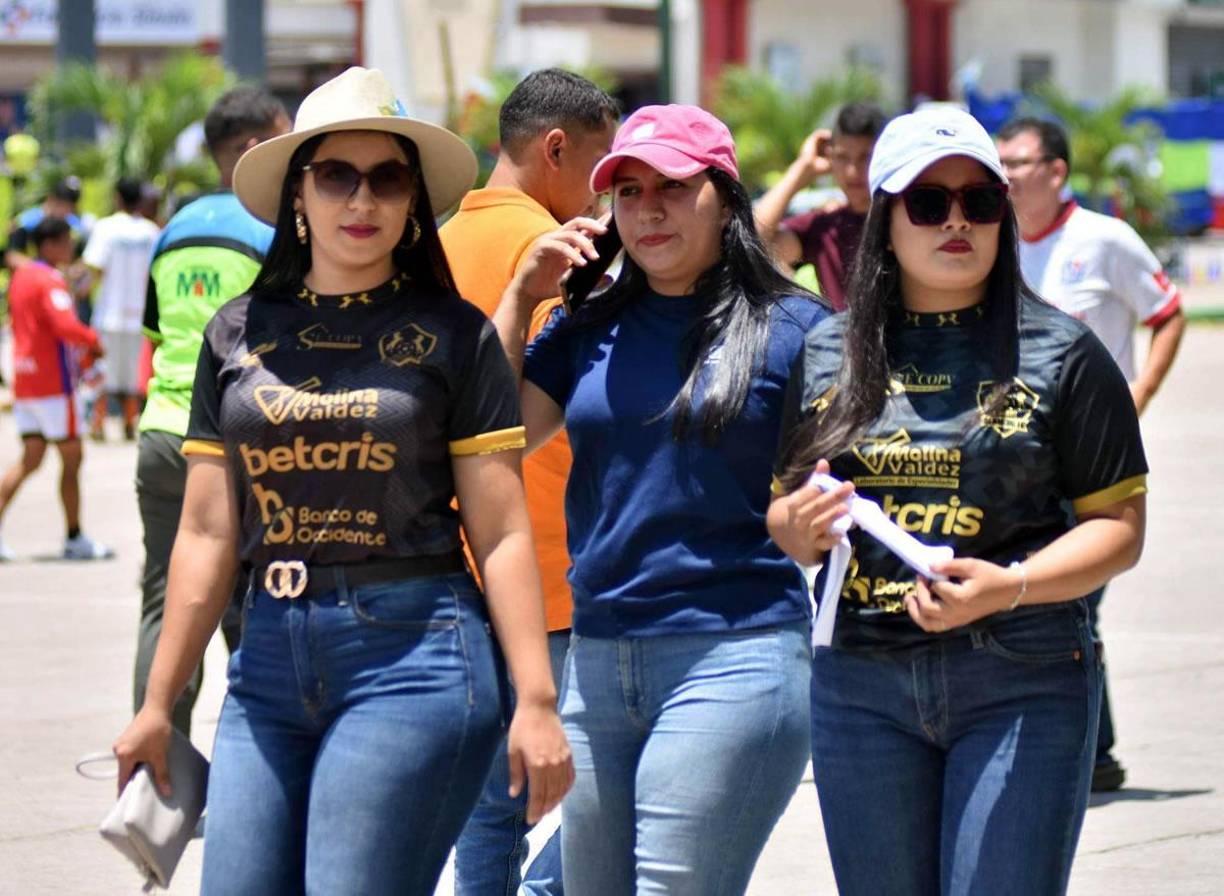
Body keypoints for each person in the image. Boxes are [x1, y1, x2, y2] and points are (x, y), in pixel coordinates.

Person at [111, 67, 573, 895]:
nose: (362, 200)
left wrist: (535, 699)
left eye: (388, 179)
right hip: (267, 664)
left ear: (411, 202)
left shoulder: (455, 336)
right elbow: (209, 532)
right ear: (298, 193)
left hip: (418, 655)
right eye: (336, 177)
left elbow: (499, 531)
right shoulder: (235, 333)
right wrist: (156, 705)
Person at [769, 107, 1148, 896]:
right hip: (860, 688)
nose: (956, 222)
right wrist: (798, 530)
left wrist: (1009, 587)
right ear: (883, 218)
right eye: (928, 203)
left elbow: (1119, 529)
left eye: (979, 203)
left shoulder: (1065, 352)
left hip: (1021, 679)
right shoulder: (825, 350)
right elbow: (784, 512)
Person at [495, 104, 829, 895]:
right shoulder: (585, 326)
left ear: (726, 197)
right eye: (629, 190)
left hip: (737, 654)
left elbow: (842, 487)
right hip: (600, 661)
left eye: (674, 187)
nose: (648, 209)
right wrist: (518, 300)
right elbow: (493, 440)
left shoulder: (799, 329)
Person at [440, 67, 618, 896]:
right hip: (549, 567)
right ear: (556, 150)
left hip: (456, 564)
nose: (607, 196)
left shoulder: (434, 242)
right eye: (603, 169)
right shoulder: (558, 252)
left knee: (488, 808)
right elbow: (573, 408)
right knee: (607, 793)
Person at [997, 116, 1184, 792]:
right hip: (1015, 457)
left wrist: (1139, 394)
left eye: (1017, 163)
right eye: (1000, 164)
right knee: (1051, 598)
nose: (1006, 175)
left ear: (1055, 170)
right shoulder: (995, 241)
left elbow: (1166, 312)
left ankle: (1085, 752)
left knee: (1075, 597)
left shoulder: (1104, 241)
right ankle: (1091, 753)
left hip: (1091, 457)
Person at [131, 87, 290, 738]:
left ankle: (152, 772)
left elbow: (154, 333)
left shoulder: (175, 229)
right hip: (234, 439)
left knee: (165, 603)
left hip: (162, 432)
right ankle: (253, 764)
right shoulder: (272, 231)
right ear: (253, 149)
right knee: (252, 603)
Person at [0, 216, 112, 561]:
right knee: (72, 458)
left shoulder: (21, 276)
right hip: (54, 386)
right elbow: (65, 325)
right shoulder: (48, 279)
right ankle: (74, 536)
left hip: (27, 381)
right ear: (50, 244)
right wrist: (94, 341)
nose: (70, 248)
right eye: (65, 241)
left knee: (30, 459)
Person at [754, 101, 887, 310]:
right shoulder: (823, 228)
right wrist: (803, 168)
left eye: (865, 157)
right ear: (830, 157)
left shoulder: (907, 220)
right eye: (842, 157)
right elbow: (751, 241)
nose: (852, 171)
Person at [82, 177, 161, 441]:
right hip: (138, 315)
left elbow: (95, 267)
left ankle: (98, 424)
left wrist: (79, 290)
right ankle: (130, 423)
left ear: (117, 197)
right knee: (132, 373)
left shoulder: (105, 228)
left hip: (109, 313)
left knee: (104, 370)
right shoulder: (151, 231)